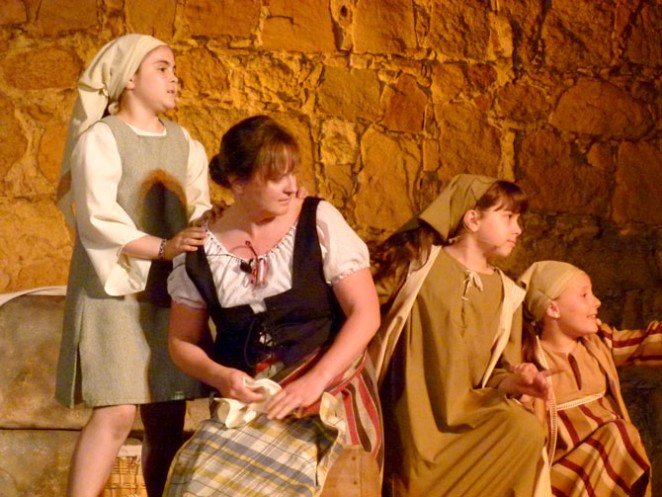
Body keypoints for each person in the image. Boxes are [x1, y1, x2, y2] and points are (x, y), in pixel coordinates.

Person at [164, 115, 383, 497]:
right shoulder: (200, 249)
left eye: (293, 173)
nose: (291, 186)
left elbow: (366, 313)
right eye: (277, 177)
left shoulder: (317, 221)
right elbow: (182, 341)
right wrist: (221, 376)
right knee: (197, 484)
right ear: (238, 182)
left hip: (328, 389)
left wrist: (315, 382)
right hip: (250, 405)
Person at [54, 34, 212, 497]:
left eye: (174, 68)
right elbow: (99, 218)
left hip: (169, 291)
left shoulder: (185, 143)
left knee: (167, 411)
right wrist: (164, 247)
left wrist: (206, 230)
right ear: (129, 79)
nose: (174, 77)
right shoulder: (102, 139)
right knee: (117, 410)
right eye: (162, 68)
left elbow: (198, 208)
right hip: (114, 290)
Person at [371, 174, 551, 497]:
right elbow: (362, 303)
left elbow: (497, 374)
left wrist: (518, 380)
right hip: (414, 421)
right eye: (508, 217)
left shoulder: (508, 295)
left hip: (468, 418)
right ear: (472, 219)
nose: (518, 229)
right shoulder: (419, 265)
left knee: (525, 429)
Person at [517, 260, 660, 497]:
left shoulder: (598, 344)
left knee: (620, 435)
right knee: (618, 433)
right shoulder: (531, 360)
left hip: (611, 468)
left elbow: (645, 343)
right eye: (585, 295)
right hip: (563, 477)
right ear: (553, 309)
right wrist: (525, 398)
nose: (597, 302)